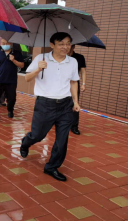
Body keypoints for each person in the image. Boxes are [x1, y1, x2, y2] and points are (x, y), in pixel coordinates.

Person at [20, 32, 81, 182]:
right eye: (61, 44)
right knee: (38, 135)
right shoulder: (40, 59)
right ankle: (26, 142)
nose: (65, 47)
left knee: (62, 139)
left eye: (68, 43)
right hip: (45, 104)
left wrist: (76, 101)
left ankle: (52, 167)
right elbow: (27, 78)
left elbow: (74, 82)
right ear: (52, 45)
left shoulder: (72, 61)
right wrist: (38, 69)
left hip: (65, 104)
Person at [0, 39, 24, 122]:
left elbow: (22, 65)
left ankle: (10, 110)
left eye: (6, 43)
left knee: (11, 98)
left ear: (11, 43)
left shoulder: (17, 53)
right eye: (2, 43)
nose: (4, 45)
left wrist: (13, 60)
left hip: (11, 80)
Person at [68, 45, 87, 135]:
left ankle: (74, 126)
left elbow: (83, 71)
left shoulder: (79, 57)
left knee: (75, 104)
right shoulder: (62, 57)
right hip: (62, 84)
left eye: (69, 45)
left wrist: (83, 84)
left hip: (74, 83)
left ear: (73, 47)